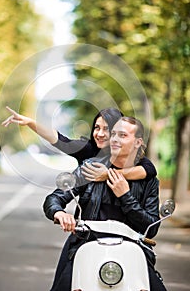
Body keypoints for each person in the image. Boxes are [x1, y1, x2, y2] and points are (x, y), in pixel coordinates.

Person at [43, 116, 167, 291]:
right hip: (86, 243)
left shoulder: (148, 180)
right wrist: (59, 213)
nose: (115, 139)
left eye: (123, 135)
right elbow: (54, 199)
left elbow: (151, 229)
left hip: (132, 248)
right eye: (114, 134)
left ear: (138, 142)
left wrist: (126, 196)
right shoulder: (90, 168)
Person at [2, 106, 157, 181]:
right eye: (97, 128)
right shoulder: (88, 150)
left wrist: (107, 175)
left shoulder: (129, 156)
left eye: (107, 129)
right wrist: (30, 122)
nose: (100, 133)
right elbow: (59, 139)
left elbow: (149, 170)